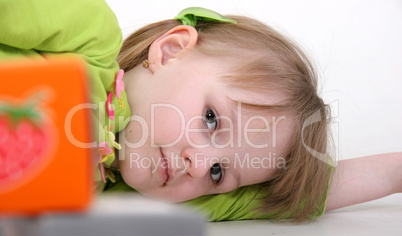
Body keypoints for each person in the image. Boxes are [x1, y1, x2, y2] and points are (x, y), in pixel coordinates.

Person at [1, 0, 400, 222]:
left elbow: (303, 191)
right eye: (211, 119)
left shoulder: (132, 199)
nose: (199, 163)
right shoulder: (86, 40)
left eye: (218, 173)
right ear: (170, 50)